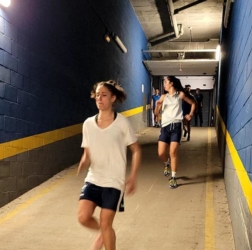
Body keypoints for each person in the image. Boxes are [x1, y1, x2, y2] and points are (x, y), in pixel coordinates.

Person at [77, 80, 141, 250]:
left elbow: (136, 150)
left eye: (104, 95)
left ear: (113, 98)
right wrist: (84, 161)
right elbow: (87, 153)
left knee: (106, 223)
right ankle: (103, 233)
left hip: (114, 182)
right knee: (83, 217)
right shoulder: (88, 124)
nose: (100, 98)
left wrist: (133, 177)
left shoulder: (122, 123)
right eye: (97, 95)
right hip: (93, 178)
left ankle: (105, 232)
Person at [154, 76, 195, 188]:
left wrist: (190, 114)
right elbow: (156, 114)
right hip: (165, 127)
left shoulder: (180, 95)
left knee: (173, 153)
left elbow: (193, 103)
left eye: (166, 82)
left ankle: (173, 178)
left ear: (171, 83)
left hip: (176, 126)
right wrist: (157, 106)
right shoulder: (163, 97)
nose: (164, 84)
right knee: (161, 153)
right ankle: (167, 163)